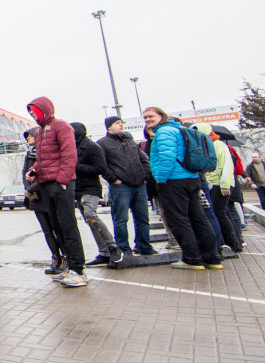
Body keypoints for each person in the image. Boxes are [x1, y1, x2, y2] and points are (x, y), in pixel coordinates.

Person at [144, 107, 221, 270]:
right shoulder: (179, 129)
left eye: (151, 116)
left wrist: (160, 179)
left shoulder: (164, 133)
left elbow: (167, 158)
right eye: (145, 117)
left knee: (179, 220)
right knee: (198, 218)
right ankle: (212, 258)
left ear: (161, 116)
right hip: (191, 178)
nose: (147, 119)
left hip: (173, 181)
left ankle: (192, 259)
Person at [25, 97, 88, 287]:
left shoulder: (62, 127)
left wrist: (63, 180)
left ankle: (79, 269)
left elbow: (69, 155)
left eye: (34, 111)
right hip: (45, 185)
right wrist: (34, 170)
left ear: (44, 109)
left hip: (61, 184)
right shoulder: (39, 133)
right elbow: (43, 159)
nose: (33, 115)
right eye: (30, 112)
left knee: (68, 225)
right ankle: (69, 266)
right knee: (57, 227)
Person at [97, 117, 155, 256]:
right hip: (120, 186)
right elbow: (102, 165)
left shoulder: (129, 141)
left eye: (122, 122)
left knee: (142, 217)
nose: (121, 125)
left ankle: (144, 246)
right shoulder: (102, 144)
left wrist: (145, 176)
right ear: (109, 127)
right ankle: (123, 248)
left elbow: (144, 159)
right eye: (117, 123)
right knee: (121, 219)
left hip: (139, 184)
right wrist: (113, 179)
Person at [69, 122, 123, 265]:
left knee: (90, 214)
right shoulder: (71, 147)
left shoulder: (92, 147)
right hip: (77, 188)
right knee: (89, 220)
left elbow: (101, 168)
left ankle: (112, 245)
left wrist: (77, 167)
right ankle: (104, 252)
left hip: (90, 188)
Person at [195, 123, 242, 253]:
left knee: (220, 213)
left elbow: (226, 165)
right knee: (222, 213)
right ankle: (233, 242)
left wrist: (225, 184)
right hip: (213, 184)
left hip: (220, 184)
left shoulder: (218, 145)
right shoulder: (206, 144)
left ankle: (234, 243)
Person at [23, 128, 64, 274]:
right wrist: (28, 190)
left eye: (30, 136)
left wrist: (31, 188)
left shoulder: (46, 153)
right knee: (47, 230)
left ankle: (65, 258)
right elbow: (25, 173)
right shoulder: (29, 154)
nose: (28, 138)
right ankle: (55, 258)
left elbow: (45, 174)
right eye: (27, 137)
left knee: (57, 228)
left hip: (47, 195)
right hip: (35, 198)